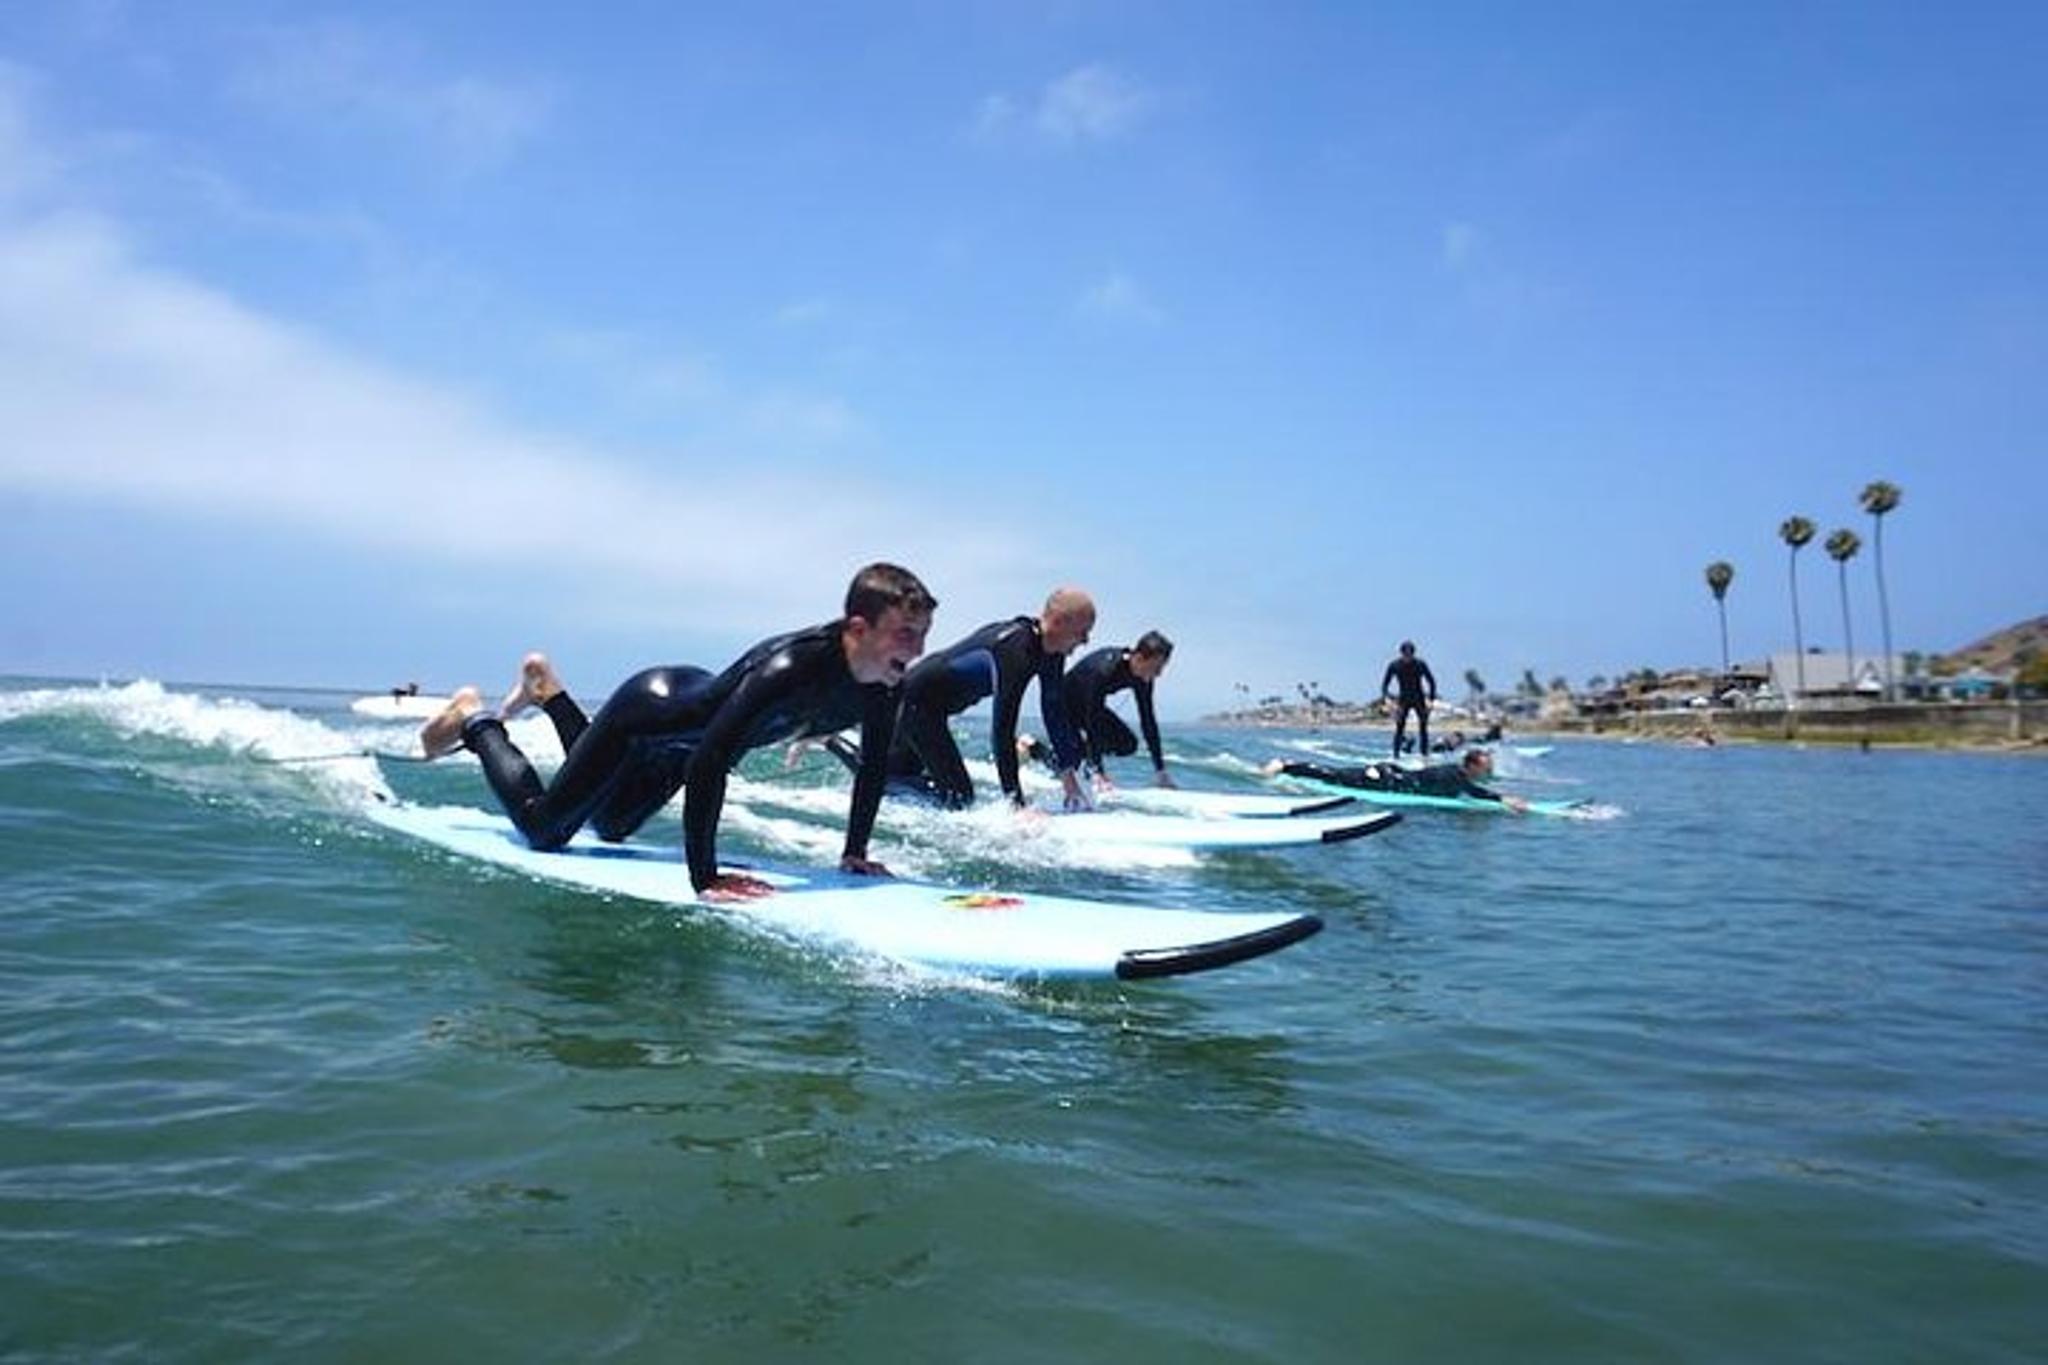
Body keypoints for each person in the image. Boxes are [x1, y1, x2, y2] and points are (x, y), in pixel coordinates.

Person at [417, 563, 936, 901]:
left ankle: (549, 694)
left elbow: (871, 767)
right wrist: (705, 878)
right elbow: (711, 760)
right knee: (545, 831)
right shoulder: (791, 669)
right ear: (858, 629)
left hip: (682, 743)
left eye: (922, 635)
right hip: (646, 714)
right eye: (904, 634)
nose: (915, 650)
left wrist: (854, 852)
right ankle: (476, 720)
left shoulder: (885, 681)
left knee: (612, 826)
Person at [834, 588, 1095, 811]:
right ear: (1060, 621)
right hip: (917, 701)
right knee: (959, 798)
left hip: (929, 707)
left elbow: (1054, 713)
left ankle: (834, 741)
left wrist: (1069, 782)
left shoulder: (1052, 653)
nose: (1085, 640)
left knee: (897, 775)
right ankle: (834, 740)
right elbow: (1003, 729)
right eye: (1083, 631)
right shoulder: (1016, 648)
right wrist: (1016, 806)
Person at [1062, 630, 1177, 790]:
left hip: (1090, 706)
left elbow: (1148, 721)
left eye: (1161, 669)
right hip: (1064, 704)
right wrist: (1099, 772)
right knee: (1076, 761)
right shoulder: (1104, 669)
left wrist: (1161, 771)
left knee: (1127, 745)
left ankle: (1083, 758)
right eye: (1156, 668)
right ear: (1139, 658)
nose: (1158, 674)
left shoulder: (1143, 678)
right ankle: (1034, 748)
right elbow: (1092, 721)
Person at [1261, 747, 1529, 813]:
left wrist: (1502, 799)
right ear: (1471, 766)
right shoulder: (1454, 775)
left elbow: (1474, 790)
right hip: (1384, 779)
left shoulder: (1458, 776)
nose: (1487, 771)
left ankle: (1288, 765)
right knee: (1335, 776)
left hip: (1392, 778)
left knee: (1337, 776)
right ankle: (1285, 765)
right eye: (1485, 767)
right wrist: (1504, 800)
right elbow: (1474, 792)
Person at [1381, 640, 1437, 759]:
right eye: (1405, 654)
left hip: (1419, 698)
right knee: (1400, 727)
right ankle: (1395, 756)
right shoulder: (1394, 665)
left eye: (1410, 654)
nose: (1408, 656)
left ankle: (1424, 755)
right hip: (1403, 699)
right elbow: (1385, 685)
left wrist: (1431, 700)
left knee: (1423, 727)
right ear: (1401, 653)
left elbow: (1431, 682)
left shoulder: (1420, 664)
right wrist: (1387, 699)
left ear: (1413, 653)